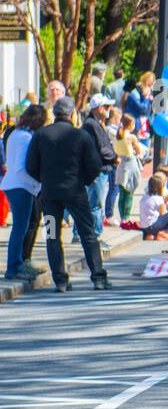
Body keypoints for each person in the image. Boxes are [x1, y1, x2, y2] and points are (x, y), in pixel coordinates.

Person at [25, 95, 111, 291]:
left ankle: (60, 280)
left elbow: (30, 165)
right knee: (88, 233)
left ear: (54, 113)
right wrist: (83, 181)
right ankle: (98, 277)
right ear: (72, 113)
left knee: (52, 235)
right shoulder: (80, 135)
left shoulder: (41, 135)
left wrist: (44, 180)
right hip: (75, 192)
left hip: (49, 195)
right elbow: (95, 165)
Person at [2, 104, 47, 281]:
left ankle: (18, 264)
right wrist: (37, 184)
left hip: (16, 184)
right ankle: (14, 267)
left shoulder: (15, 134)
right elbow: (23, 167)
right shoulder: (26, 137)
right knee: (20, 228)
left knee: (20, 227)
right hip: (21, 185)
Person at [81, 94, 118, 237]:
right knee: (95, 205)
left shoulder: (95, 123)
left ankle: (81, 234)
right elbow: (101, 147)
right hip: (97, 169)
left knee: (91, 203)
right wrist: (114, 158)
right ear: (99, 109)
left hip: (100, 168)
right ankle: (95, 234)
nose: (109, 109)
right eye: (107, 107)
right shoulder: (92, 124)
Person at [114, 115, 144, 222]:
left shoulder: (117, 136)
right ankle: (126, 218)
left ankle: (122, 217)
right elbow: (139, 152)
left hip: (121, 166)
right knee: (130, 193)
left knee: (122, 194)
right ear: (130, 124)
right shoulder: (131, 137)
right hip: (131, 165)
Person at [139, 172, 168, 240]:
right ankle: (162, 232)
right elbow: (163, 215)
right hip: (153, 226)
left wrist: (164, 203)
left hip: (144, 226)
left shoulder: (144, 197)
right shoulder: (158, 199)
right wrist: (166, 204)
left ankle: (152, 235)